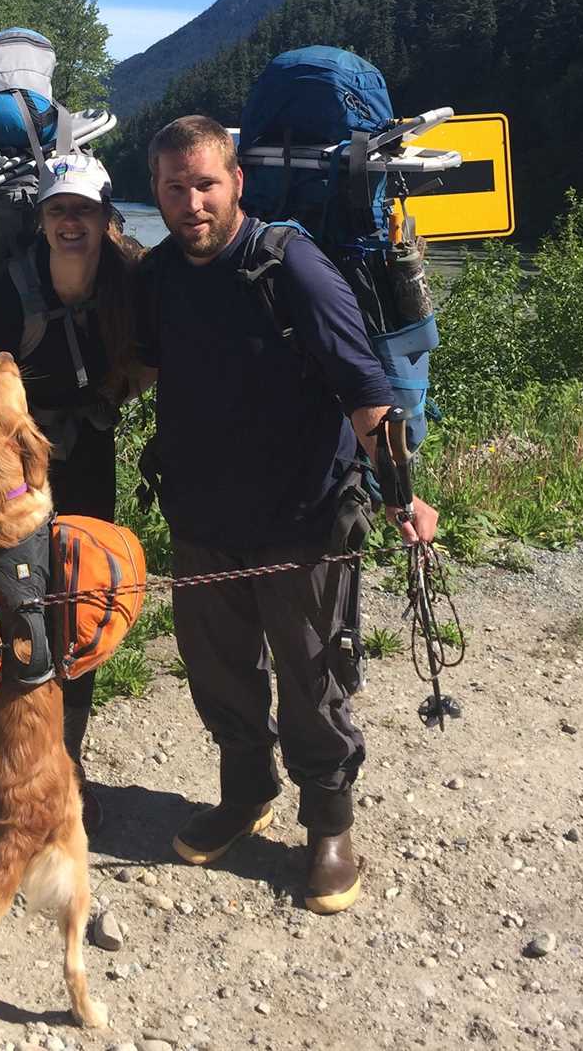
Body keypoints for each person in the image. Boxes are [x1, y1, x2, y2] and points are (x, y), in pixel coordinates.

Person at [136, 115, 439, 914]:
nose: (192, 202)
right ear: (157, 194)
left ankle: (329, 826)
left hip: (304, 519)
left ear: (237, 181)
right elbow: (135, 371)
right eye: (175, 187)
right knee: (218, 672)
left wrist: (404, 494)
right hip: (203, 516)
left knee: (313, 679)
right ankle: (246, 791)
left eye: (205, 183)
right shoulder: (159, 275)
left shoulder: (291, 268)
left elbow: (366, 391)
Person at [0, 152, 143, 834]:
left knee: (80, 601)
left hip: (89, 455)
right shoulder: (7, 292)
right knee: (14, 609)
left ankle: (65, 762)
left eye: (84, 210)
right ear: (41, 220)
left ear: (106, 217)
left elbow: (160, 349)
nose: (71, 222)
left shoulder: (130, 278)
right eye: (57, 210)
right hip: (15, 470)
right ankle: (13, 760)